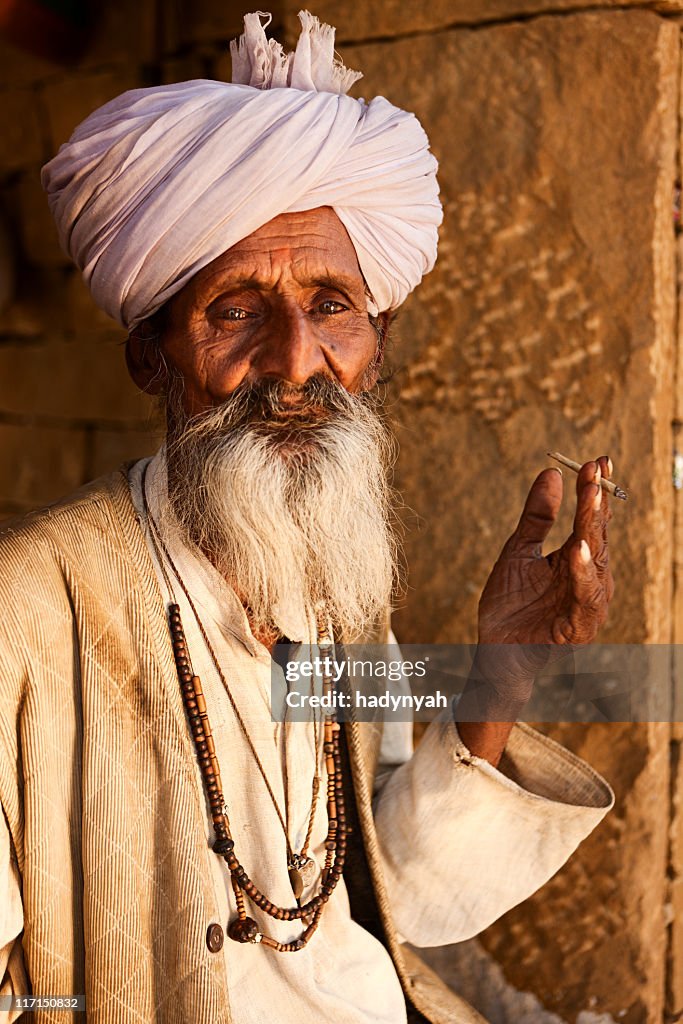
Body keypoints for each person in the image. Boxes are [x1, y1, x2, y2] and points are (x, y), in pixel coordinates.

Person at [0, 10, 614, 1023]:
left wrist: (497, 678)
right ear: (149, 354)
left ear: (376, 342)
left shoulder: (332, 584)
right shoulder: (30, 607)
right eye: (236, 310)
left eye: (331, 305)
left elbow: (381, 897)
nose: (294, 361)